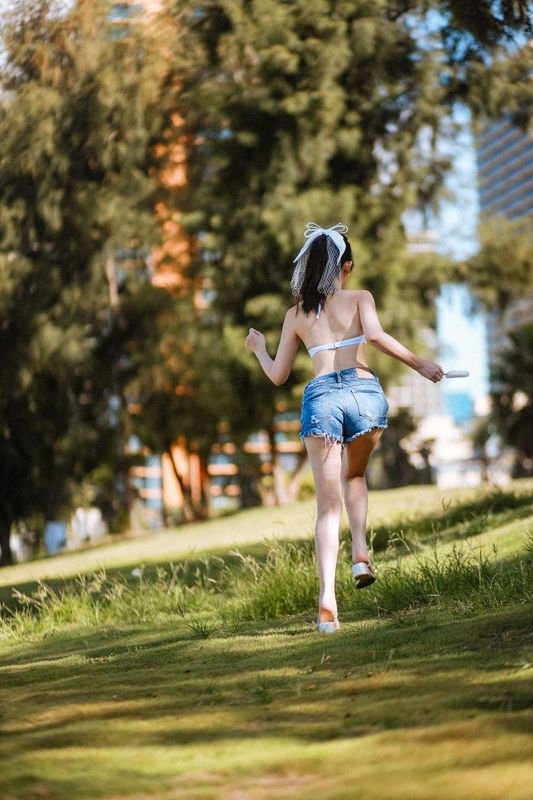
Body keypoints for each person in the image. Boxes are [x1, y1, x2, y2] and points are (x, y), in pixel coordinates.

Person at [245, 222, 444, 633]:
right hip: (364, 394)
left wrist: (259, 349)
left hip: (322, 399)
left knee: (327, 507)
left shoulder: (296, 314)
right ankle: (360, 553)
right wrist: (420, 364)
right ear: (346, 266)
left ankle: (327, 605)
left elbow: (279, 375)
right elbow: (376, 336)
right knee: (355, 476)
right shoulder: (360, 298)